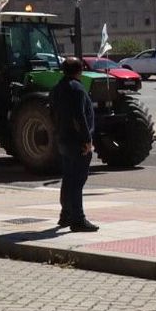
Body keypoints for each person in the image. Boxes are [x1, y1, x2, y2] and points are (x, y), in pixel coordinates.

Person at [50, 57, 98, 232]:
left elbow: (52, 113)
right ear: (80, 70)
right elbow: (79, 117)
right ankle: (78, 219)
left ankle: (66, 215)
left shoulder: (57, 89)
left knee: (68, 178)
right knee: (77, 180)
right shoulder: (76, 89)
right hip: (77, 141)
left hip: (63, 139)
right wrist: (86, 140)